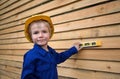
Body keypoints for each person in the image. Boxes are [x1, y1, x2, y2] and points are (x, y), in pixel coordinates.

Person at [21, 15, 82, 79]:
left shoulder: (51, 52)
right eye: (36, 33)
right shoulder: (30, 56)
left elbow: (60, 57)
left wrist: (74, 49)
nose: (40, 35)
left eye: (44, 31)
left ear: (49, 34)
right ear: (31, 36)